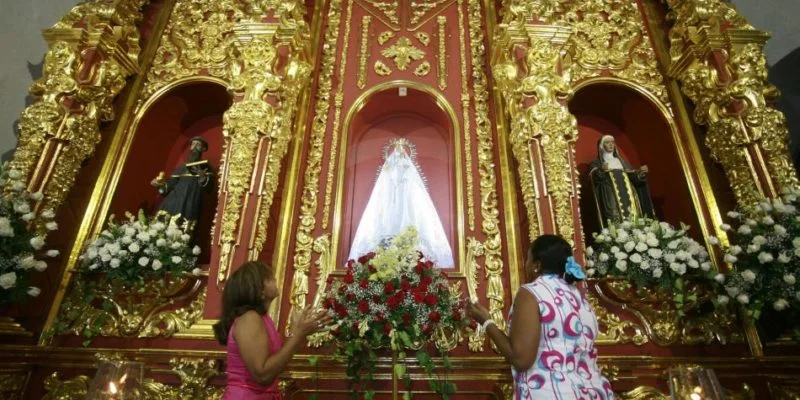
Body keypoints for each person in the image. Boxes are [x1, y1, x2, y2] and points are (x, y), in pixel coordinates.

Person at [468, 235, 615, 400]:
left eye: (528, 259)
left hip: (552, 392)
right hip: (593, 391)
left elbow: (521, 359)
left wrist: (486, 322)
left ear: (536, 265)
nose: (526, 265)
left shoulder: (532, 293)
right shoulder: (578, 296)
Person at [213, 261, 332, 399]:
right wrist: (299, 335)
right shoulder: (250, 319)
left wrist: (296, 331)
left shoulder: (262, 318)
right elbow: (262, 375)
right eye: (269, 278)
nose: (275, 279)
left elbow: (275, 361)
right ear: (259, 290)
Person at [589, 135, 655, 226]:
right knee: (614, 220)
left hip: (628, 196)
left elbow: (633, 178)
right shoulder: (597, 163)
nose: (611, 145)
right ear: (601, 146)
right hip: (610, 196)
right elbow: (594, 179)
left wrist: (640, 172)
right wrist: (601, 170)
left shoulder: (622, 162)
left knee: (633, 219)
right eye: (608, 143)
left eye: (612, 142)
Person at [151, 136, 213, 226]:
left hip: (190, 203)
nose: (195, 146)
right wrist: (159, 185)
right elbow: (170, 185)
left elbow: (210, 188)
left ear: (203, 149)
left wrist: (203, 178)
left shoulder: (206, 167)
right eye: (193, 144)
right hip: (172, 203)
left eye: (198, 145)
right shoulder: (181, 167)